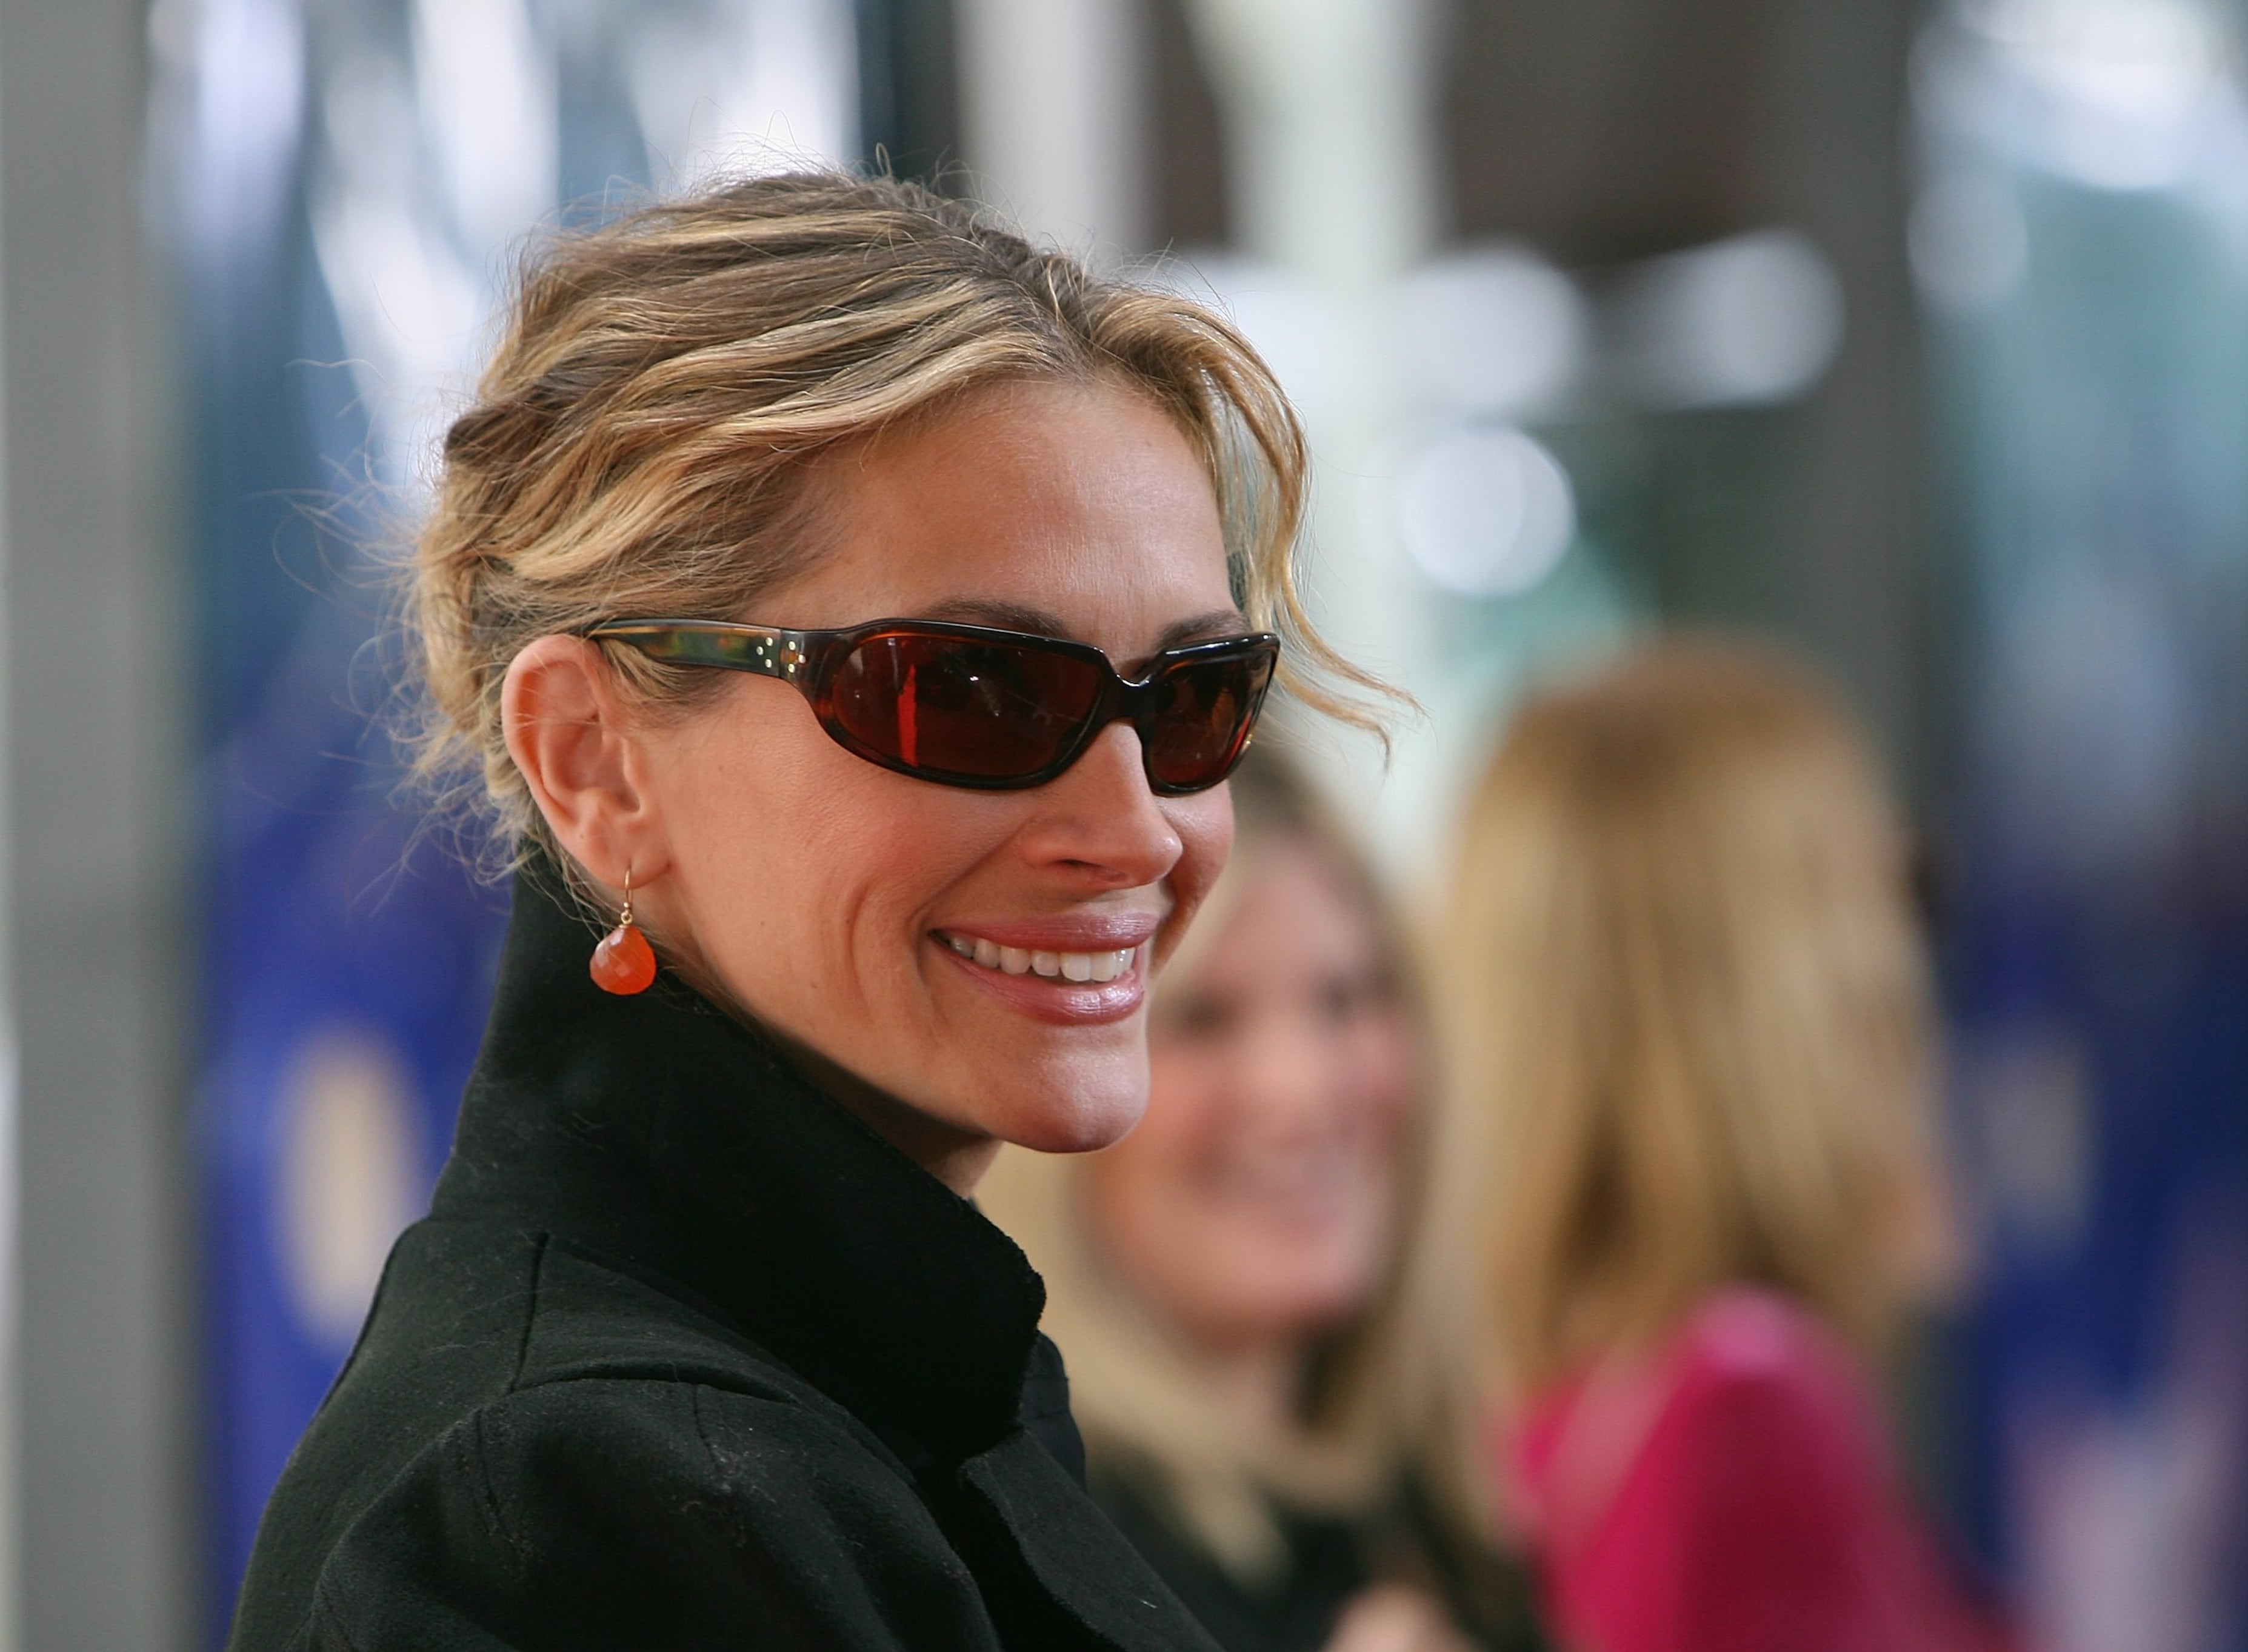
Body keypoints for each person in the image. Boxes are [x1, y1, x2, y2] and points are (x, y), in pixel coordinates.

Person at [226, 171, 1378, 1651]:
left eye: (1194, 699)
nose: (1134, 827)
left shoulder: (859, 1396)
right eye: (972, 690)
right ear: (595, 762)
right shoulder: (584, 1508)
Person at [1410, 639, 2018, 1652]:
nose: (1909, 971)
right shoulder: (1748, 1417)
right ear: (1790, 988)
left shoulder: (1506, 1419)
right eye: (1895, 896)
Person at [979, 745, 1537, 1652]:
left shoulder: (1448, 1511)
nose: (1299, 1088)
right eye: (1205, 1019)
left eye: (1347, 998)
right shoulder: (1023, 1560)